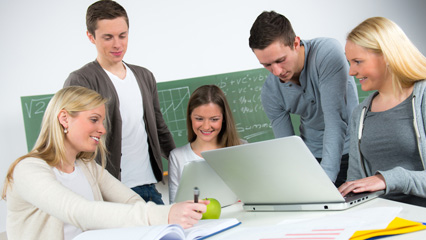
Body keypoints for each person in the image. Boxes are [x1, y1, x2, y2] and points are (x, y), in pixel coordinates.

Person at [1, 86, 207, 240]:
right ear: (64, 118)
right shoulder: (28, 170)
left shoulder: (87, 167)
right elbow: (79, 211)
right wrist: (165, 214)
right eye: (94, 119)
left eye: (102, 121)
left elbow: (131, 201)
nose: (103, 129)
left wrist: (157, 224)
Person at [339, 17, 426, 216]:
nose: (352, 71)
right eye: (349, 62)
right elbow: (356, 182)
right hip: (381, 223)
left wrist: (390, 179)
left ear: (386, 55)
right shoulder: (360, 114)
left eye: (358, 61)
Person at [64, 0, 175, 204]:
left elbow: (159, 127)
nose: (117, 44)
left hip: (149, 185)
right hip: (109, 191)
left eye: (122, 35)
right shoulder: (81, 80)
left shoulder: (144, 76)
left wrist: (180, 161)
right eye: (108, 37)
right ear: (91, 37)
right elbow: (71, 138)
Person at [249, 11, 359, 187]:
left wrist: (325, 181)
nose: (277, 72)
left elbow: (335, 121)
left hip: (355, 153)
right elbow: (288, 146)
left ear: (295, 43)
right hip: (313, 158)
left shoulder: (327, 53)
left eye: (281, 60)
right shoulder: (270, 91)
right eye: (267, 65)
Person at [168, 85, 244, 204]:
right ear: (190, 117)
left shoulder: (241, 148)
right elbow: (175, 206)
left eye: (214, 119)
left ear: (223, 118)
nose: (206, 126)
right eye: (199, 119)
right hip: (199, 222)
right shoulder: (178, 157)